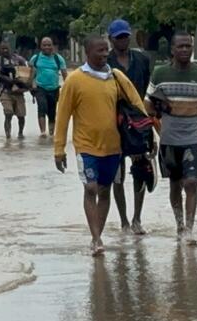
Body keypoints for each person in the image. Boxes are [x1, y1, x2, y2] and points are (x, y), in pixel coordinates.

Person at [53, 35, 151, 256]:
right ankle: (96, 239)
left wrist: (147, 135)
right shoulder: (74, 80)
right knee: (90, 188)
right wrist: (58, 149)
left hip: (114, 147)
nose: (105, 54)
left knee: (105, 191)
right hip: (86, 147)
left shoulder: (116, 77)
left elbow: (136, 104)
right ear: (87, 53)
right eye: (100, 50)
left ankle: (99, 233)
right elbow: (62, 116)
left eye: (106, 50)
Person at [146, 32, 197, 247]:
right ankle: (178, 225)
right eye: (181, 46)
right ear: (172, 49)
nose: (185, 50)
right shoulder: (160, 74)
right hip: (168, 139)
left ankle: (188, 229)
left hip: (194, 139)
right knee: (175, 184)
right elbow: (146, 106)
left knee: (191, 182)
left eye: (188, 46)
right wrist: (160, 105)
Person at [105, 20, 156, 236]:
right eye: (119, 37)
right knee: (118, 174)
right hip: (113, 122)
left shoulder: (142, 60)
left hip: (139, 122)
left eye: (126, 36)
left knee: (142, 169)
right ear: (111, 39)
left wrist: (152, 123)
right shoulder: (105, 62)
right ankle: (124, 221)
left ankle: (137, 219)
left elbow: (148, 91)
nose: (123, 40)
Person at [29, 37, 68, 139]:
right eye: (44, 45)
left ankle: (51, 134)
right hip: (40, 87)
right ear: (40, 46)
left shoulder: (58, 59)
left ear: (53, 46)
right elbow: (30, 74)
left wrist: (68, 89)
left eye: (49, 45)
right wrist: (31, 86)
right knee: (42, 107)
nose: (47, 47)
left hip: (54, 89)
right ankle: (42, 132)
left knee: (52, 111)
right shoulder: (35, 58)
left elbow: (65, 75)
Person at [0, 43, 29, 139]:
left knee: (21, 115)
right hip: (5, 90)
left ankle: (20, 133)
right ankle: (8, 136)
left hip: (18, 91)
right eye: (2, 49)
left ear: (10, 49)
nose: (5, 50)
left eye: (6, 48)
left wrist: (26, 85)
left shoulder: (19, 59)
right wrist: (10, 80)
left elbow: (26, 72)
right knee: (8, 113)